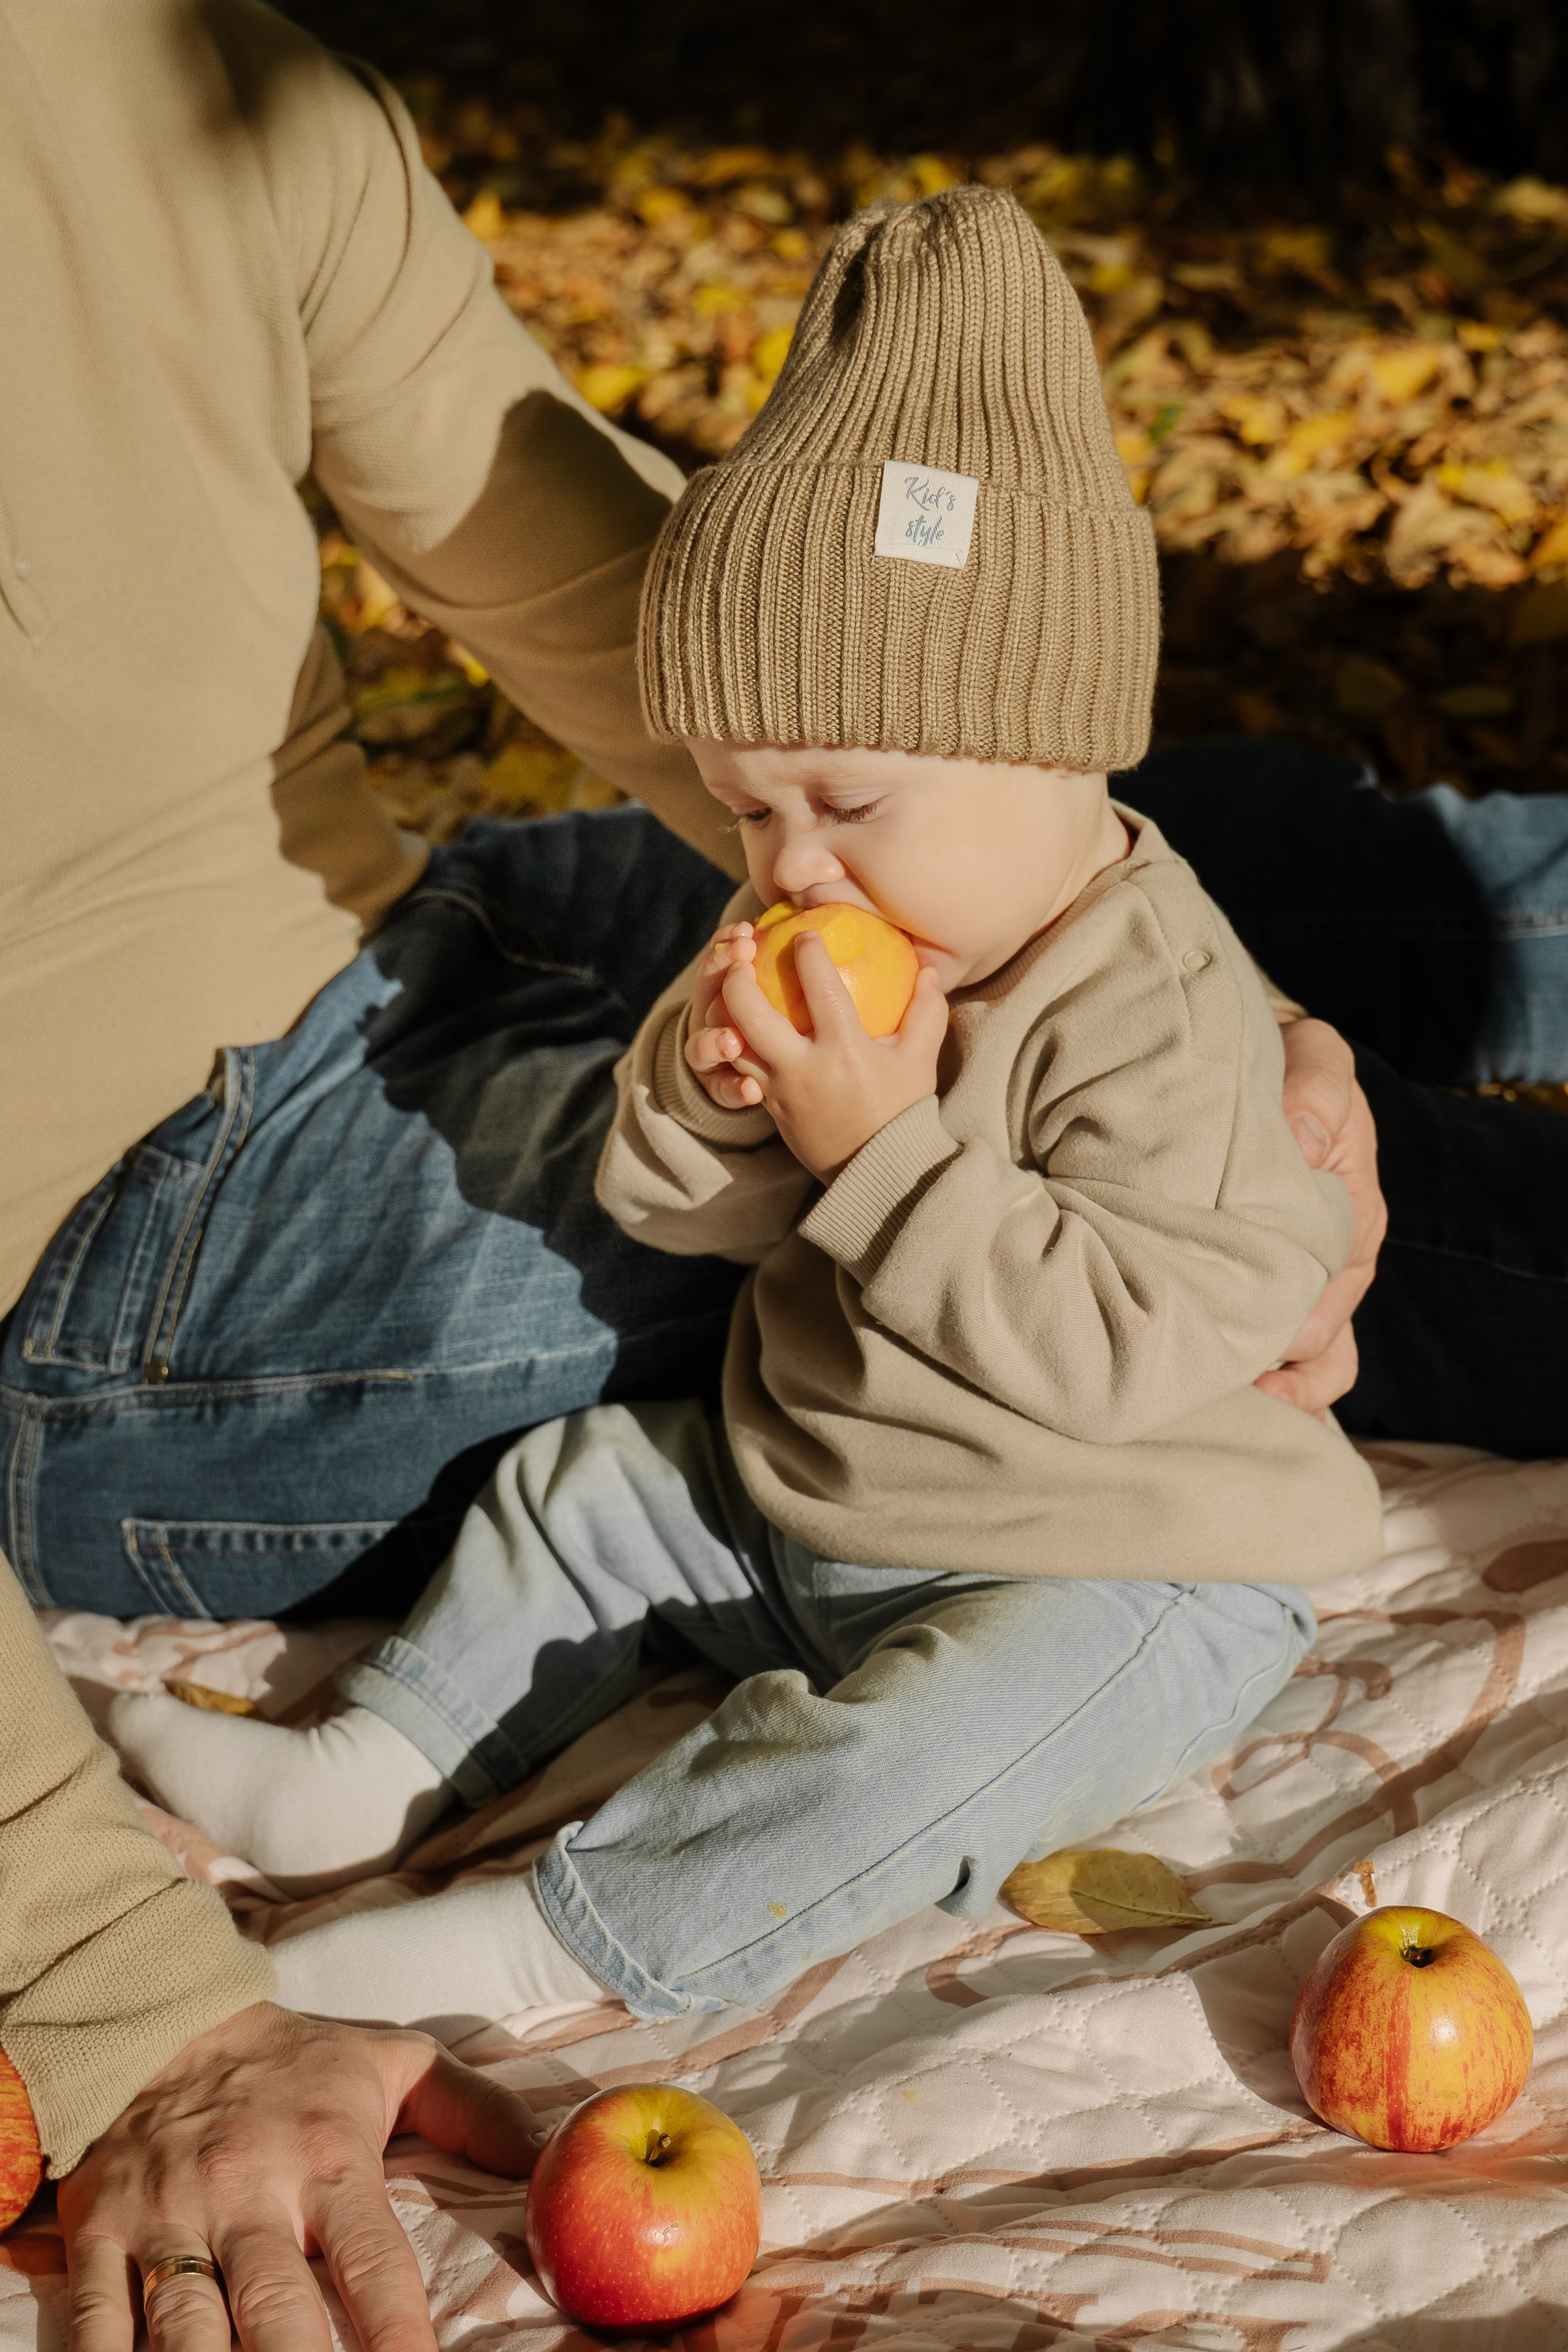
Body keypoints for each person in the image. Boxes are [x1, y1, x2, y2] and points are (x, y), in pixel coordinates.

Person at [104, 187, 1390, 2029]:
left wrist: (877, 1147)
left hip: (1116, 1549)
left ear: (1059, 732)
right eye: (745, 802)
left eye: (844, 802)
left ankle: (575, 1932)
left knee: (937, 1748)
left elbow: (1105, 1354)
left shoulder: (1161, 1016)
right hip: (822, 1502)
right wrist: (713, 1100)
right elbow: (672, 1212)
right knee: (591, 1486)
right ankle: (365, 1772)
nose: (788, 862)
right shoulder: (831, 912)